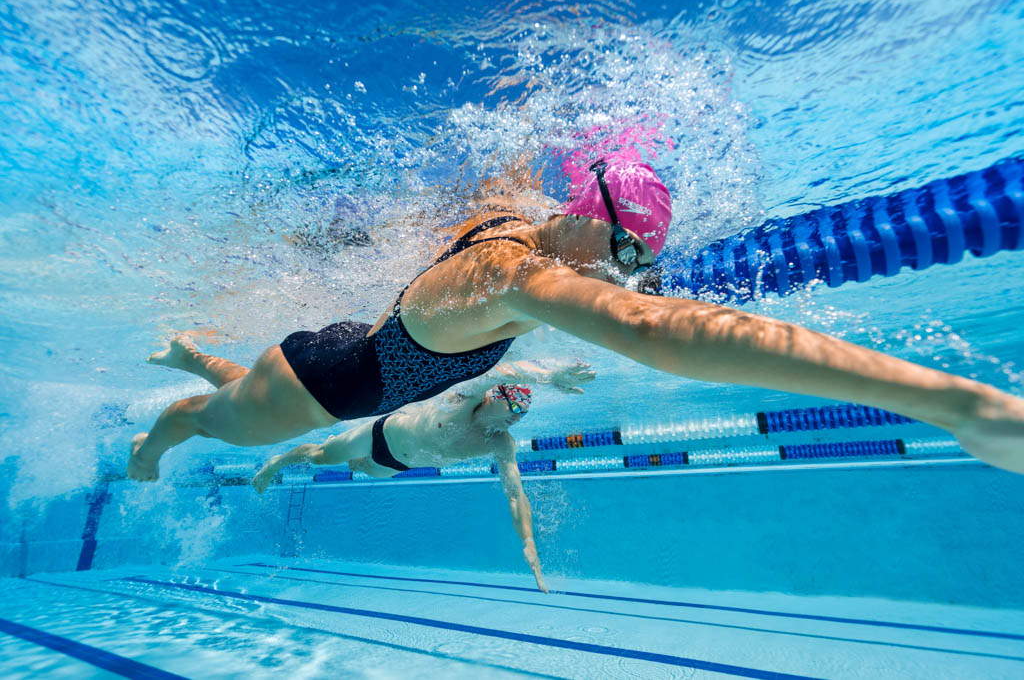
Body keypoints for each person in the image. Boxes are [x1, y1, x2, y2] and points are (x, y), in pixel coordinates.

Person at [129, 157, 1024, 482]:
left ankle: (187, 352)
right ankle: (156, 434)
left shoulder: (517, 212)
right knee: (220, 426)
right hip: (329, 383)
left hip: (342, 353)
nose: (630, 278)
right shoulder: (513, 274)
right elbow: (659, 334)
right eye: (629, 257)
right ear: (591, 214)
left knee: (240, 393)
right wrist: (951, 404)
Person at [251, 359, 594, 593]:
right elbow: (500, 369)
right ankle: (279, 460)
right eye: (516, 407)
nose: (519, 417)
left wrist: (528, 542)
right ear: (497, 396)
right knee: (323, 457)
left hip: (396, 467)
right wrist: (550, 376)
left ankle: (360, 464)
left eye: (525, 413)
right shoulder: (463, 400)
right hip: (380, 435)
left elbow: (515, 494)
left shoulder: (502, 442)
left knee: (365, 470)